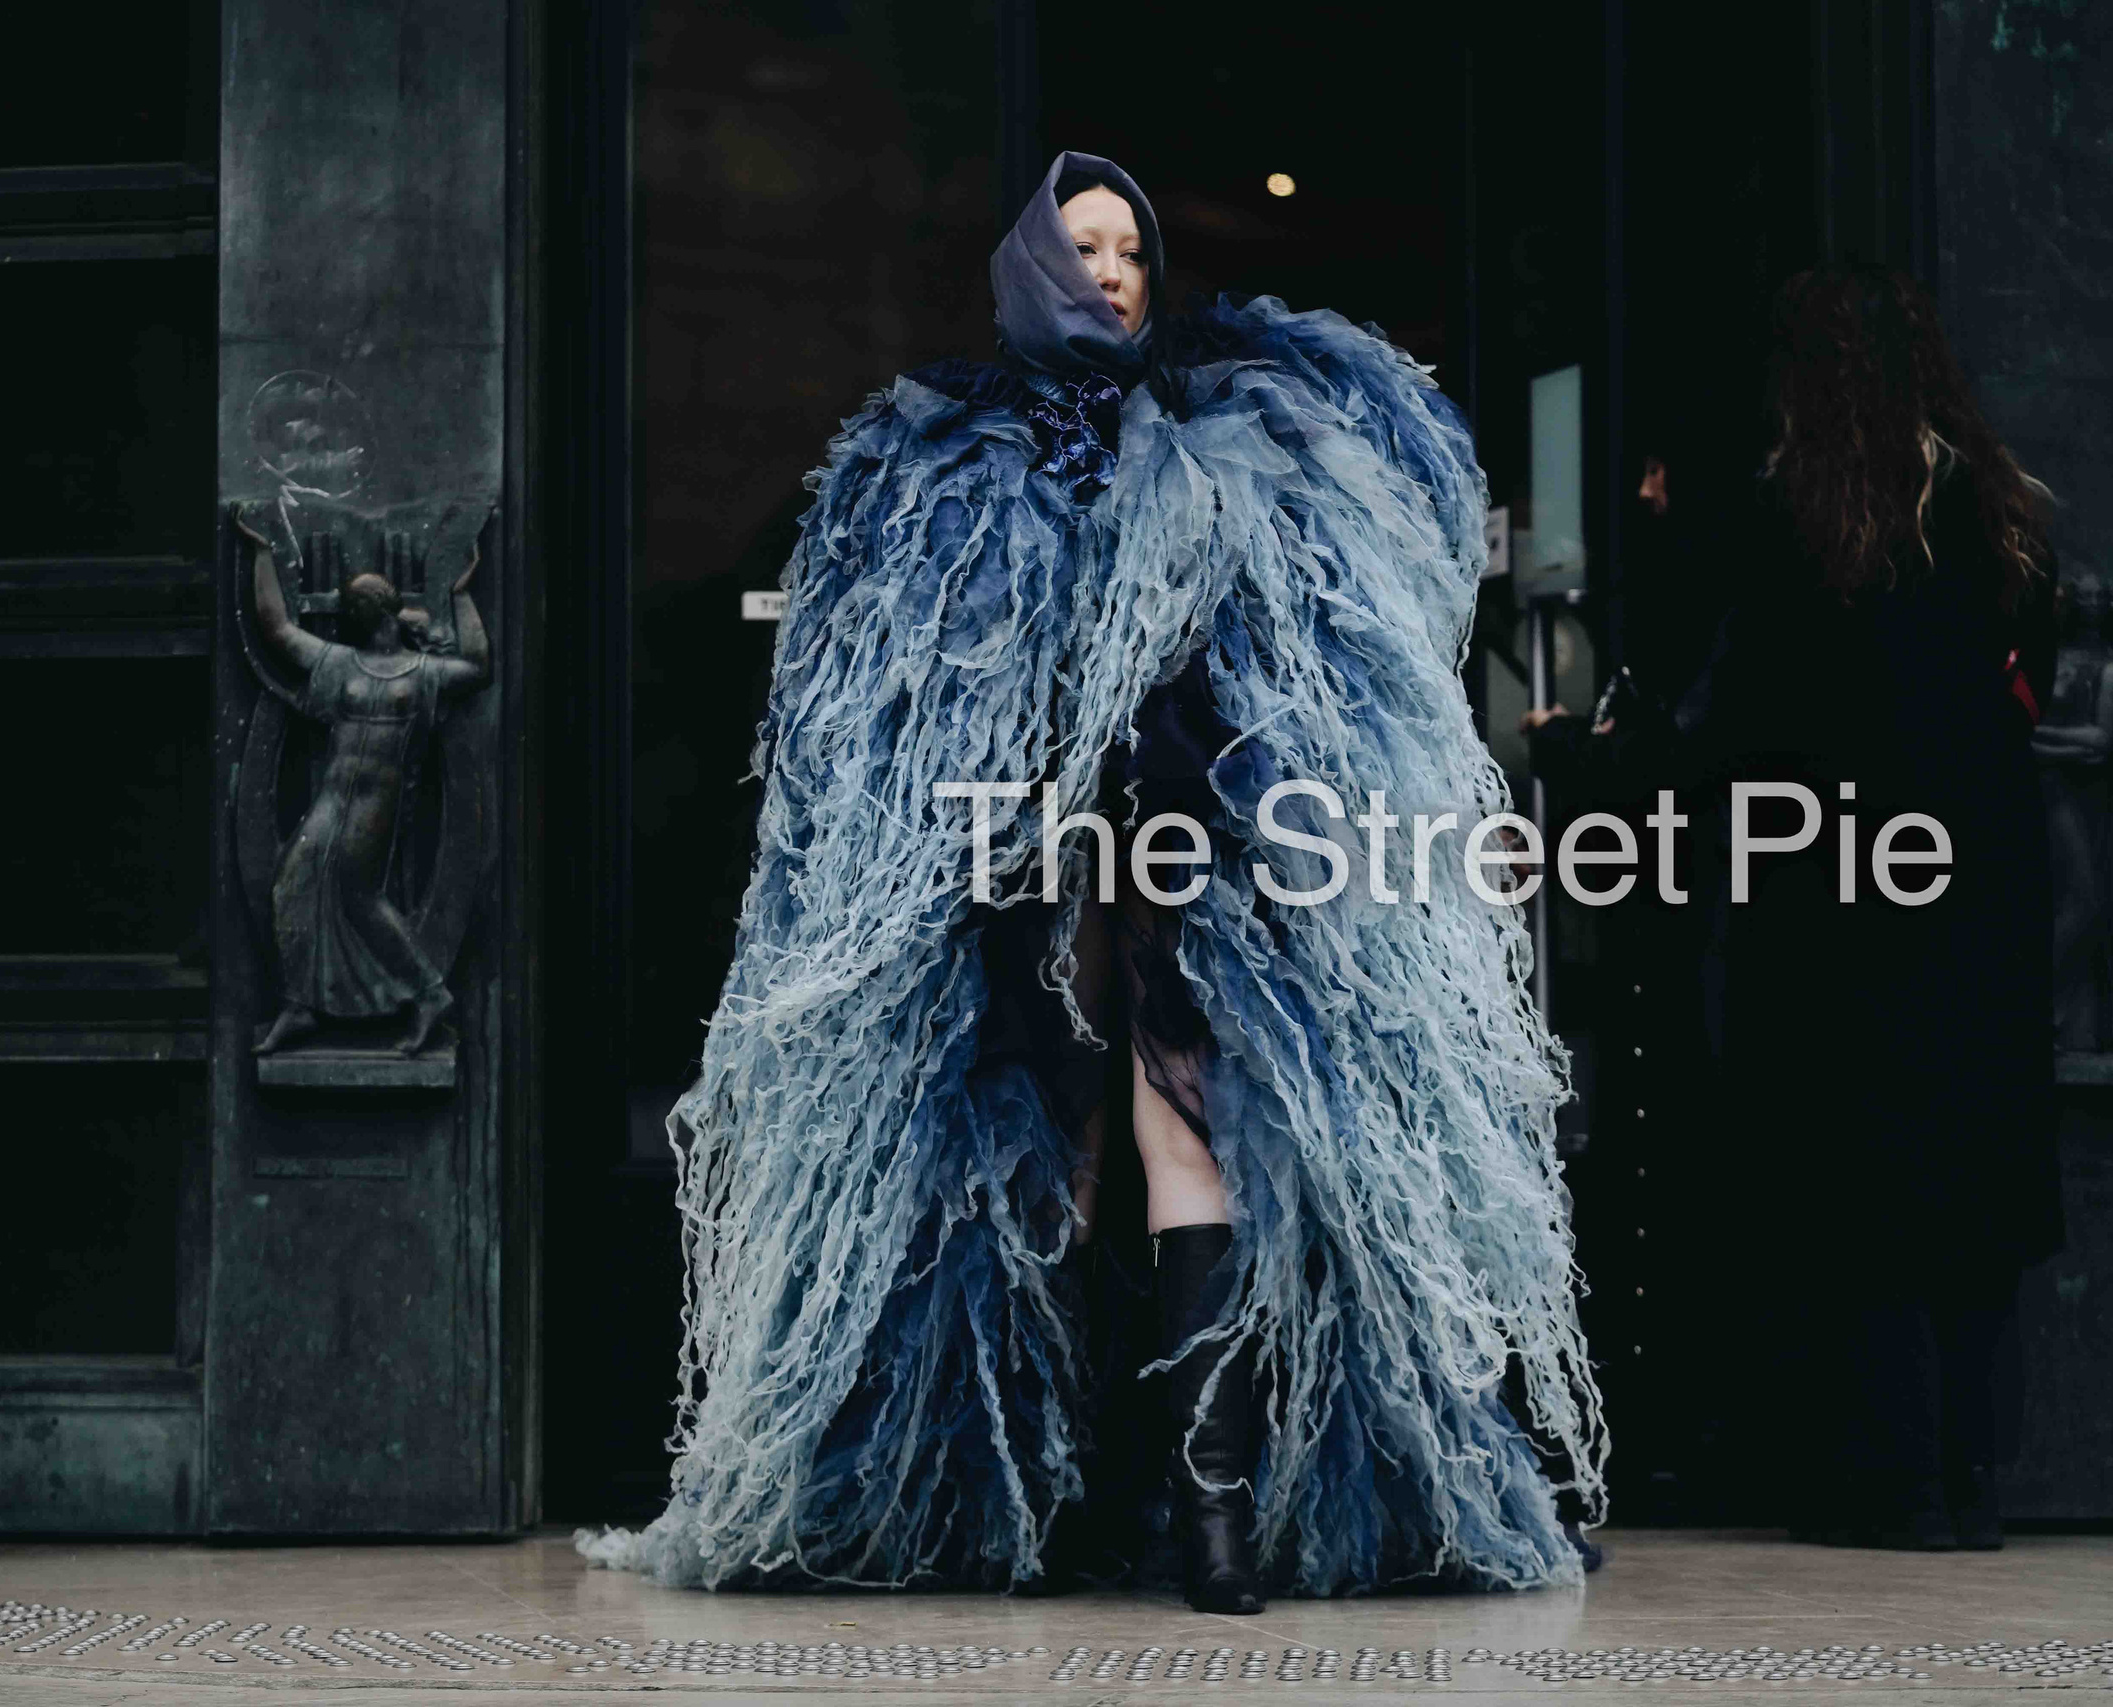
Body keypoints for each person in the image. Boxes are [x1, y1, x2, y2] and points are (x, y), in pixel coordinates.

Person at [579, 153, 1603, 1608]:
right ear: (1030, 267)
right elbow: (863, 680)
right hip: (1010, 874)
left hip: (1193, 855)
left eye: (1132, 248)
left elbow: (1307, 653)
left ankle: (1216, 1525)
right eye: (1087, 245)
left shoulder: (1221, 429)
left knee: (1194, 1133)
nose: (1115, 270)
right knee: (1030, 1164)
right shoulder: (939, 447)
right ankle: (1029, 1502)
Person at [1531, 263, 2064, 1549]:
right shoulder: (1999, 509)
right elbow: (2022, 683)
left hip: (1846, 899)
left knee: (1860, 1185)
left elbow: (1732, 734)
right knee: (1969, 1194)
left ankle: (1899, 1488)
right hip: (1981, 886)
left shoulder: (1812, 523)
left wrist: (1579, 758)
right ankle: (1973, 1484)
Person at [231, 510, 490, 1056]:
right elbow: (275, 629)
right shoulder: (339, 663)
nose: (350, 609)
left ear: (377, 610)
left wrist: (463, 596)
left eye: (357, 602)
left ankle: (427, 993)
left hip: (379, 802)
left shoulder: (422, 674)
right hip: (333, 796)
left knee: (360, 895)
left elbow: (477, 665)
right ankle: (299, 1004)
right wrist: (260, 555)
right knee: (290, 884)